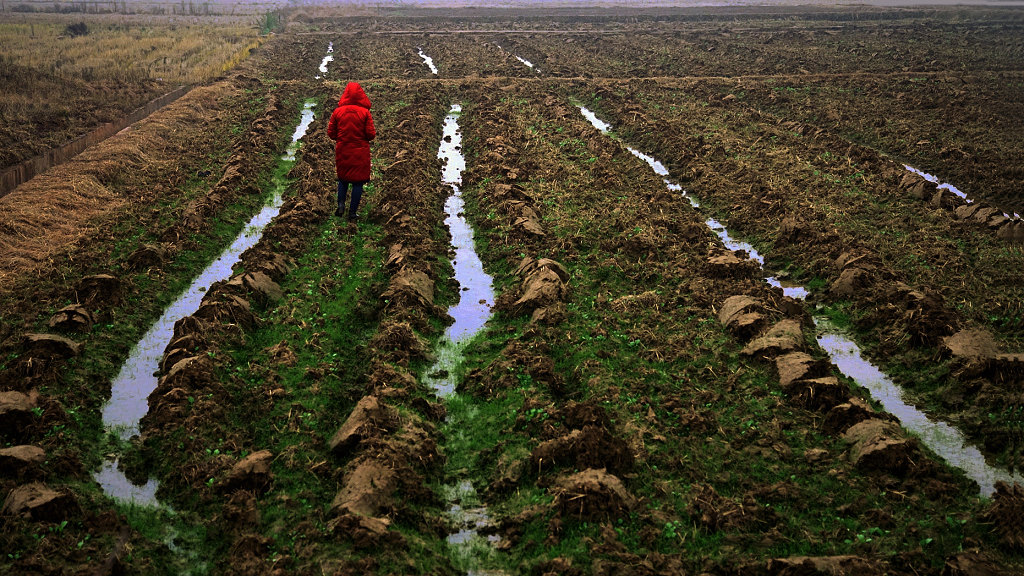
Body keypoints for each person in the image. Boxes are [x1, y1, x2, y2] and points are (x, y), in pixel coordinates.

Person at [327, 82, 376, 222]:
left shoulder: (338, 112)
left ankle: (341, 205)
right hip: (360, 152)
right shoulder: (365, 113)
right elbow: (371, 134)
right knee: (358, 183)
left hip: (343, 149)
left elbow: (331, 133)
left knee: (343, 180)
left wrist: (342, 138)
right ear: (361, 95)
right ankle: (352, 213)